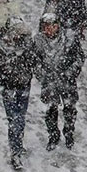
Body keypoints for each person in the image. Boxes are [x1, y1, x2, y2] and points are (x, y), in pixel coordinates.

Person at [0, 18, 39, 170]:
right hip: (9, 88)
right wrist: (17, 66)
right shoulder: (0, 46)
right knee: (14, 119)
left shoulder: (27, 44)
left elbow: (33, 61)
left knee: (21, 117)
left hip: (24, 86)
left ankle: (17, 144)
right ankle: (15, 151)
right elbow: (1, 67)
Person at [35, 13, 84, 150]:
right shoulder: (38, 41)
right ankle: (53, 135)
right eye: (45, 26)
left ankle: (69, 133)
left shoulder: (69, 39)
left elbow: (79, 58)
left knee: (70, 109)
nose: (48, 29)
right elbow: (34, 61)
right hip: (49, 82)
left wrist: (70, 73)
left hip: (67, 81)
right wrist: (43, 75)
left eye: (51, 26)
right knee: (51, 109)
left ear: (57, 26)